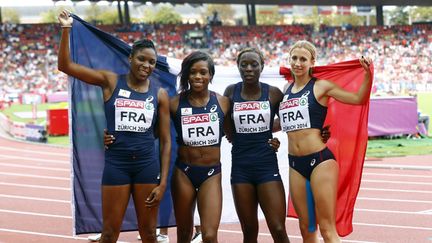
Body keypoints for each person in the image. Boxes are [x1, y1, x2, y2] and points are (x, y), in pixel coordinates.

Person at [57, 10, 171, 243]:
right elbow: (66, 65)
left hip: (147, 167)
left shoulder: (159, 94)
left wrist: (163, 183)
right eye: (141, 59)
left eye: (151, 62)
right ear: (130, 58)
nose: (146, 65)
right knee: (109, 234)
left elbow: (166, 141)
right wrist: (66, 29)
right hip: (116, 166)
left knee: (149, 234)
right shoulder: (110, 81)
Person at [278, 40, 372, 242]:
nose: (298, 63)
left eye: (303, 59)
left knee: (327, 228)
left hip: (320, 161)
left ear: (312, 62)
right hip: (295, 163)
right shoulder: (286, 89)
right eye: (294, 58)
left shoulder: (321, 86)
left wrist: (367, 75)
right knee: (306, 227)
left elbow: (357, 99)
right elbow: (282, 123)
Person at [223, 47, 290, 243]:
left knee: (278, 228)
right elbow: (227, 126)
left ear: (262, 66)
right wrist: (234, 137)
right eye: (244, 65)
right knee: (249, 231)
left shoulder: (274, 94)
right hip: (241, 167)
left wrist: (271, 135)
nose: (249, 69)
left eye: (254, 64)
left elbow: (287, 119)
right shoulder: (230, 92)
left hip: (266, 166)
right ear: (238, 67)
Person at [170, 51, 230, 243]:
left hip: (211, 173)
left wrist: (270, 139)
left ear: (210, 75)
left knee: (210, 235)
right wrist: (113, 136)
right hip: (184, 172)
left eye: (203, 72)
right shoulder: (174, 103)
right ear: (187, 74)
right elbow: (152, 132)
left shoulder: (223, 102)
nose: (198, 76)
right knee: (184, 234)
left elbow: (240, 133)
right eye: (193, 72)